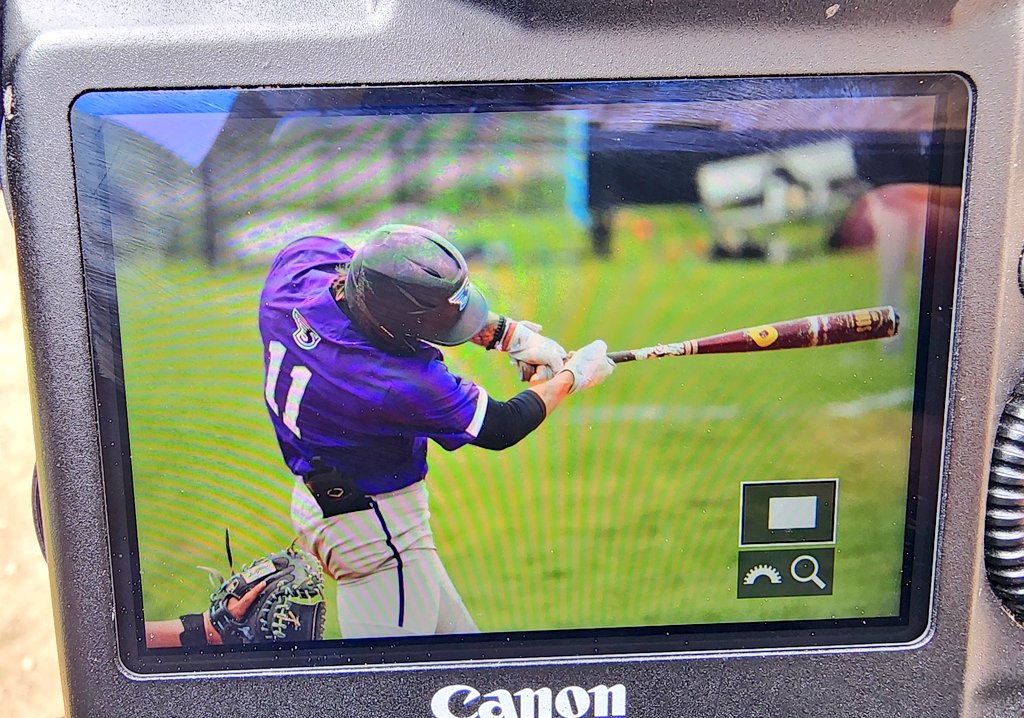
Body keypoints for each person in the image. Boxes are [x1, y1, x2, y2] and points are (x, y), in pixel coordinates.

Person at [258, 224, 615, 638]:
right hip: (378, 533)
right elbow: (500, 426)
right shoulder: (395, 382)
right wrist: (572, 376)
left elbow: (371, 268)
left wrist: (505, 334)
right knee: (387, 690)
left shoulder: (295, 276)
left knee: (466, 666)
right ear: (392, 328)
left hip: (326, 504)